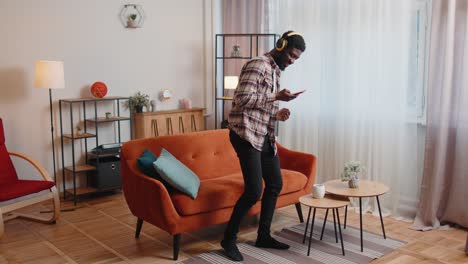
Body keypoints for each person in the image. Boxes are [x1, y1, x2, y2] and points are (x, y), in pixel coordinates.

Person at [221, 31, 306, 261]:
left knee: (275, 183)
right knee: (253, 191)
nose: (292, 61)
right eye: (291, 55)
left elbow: (261, 105)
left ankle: (263, 236)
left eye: (296, 58)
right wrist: (275, 96)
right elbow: (241, 99)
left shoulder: (275, 71)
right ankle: (228, 240)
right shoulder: (258, 64)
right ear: (281, 45)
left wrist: (276, 114)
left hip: (263, 134)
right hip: (245, 134)